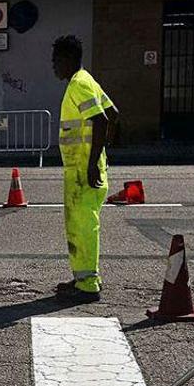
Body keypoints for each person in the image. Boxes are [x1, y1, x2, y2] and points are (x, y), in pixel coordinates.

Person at [52, 35, 118, 300]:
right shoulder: (87, 79)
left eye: (56, 61)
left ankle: (88, 284)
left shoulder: (78, 84)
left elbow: (101, 121)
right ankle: (83, 278)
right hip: (86, 166)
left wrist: (92, 163)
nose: (53, 67)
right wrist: (102, 152)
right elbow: (113, 113)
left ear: (67, 60)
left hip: (82, 169)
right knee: (82, 225)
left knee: (82, 226)